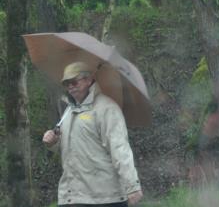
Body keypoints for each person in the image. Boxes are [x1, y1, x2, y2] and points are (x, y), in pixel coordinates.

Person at [42, 61, 143, 206]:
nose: (70, 86)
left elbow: (119, 148)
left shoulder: (107, 108)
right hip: (72, 197)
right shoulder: (68, 111)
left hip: (106, 198)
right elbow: (71, 148)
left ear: (89, 80)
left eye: (74, 81)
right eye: (66, 83)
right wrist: (53, 142)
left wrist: (132, 185)